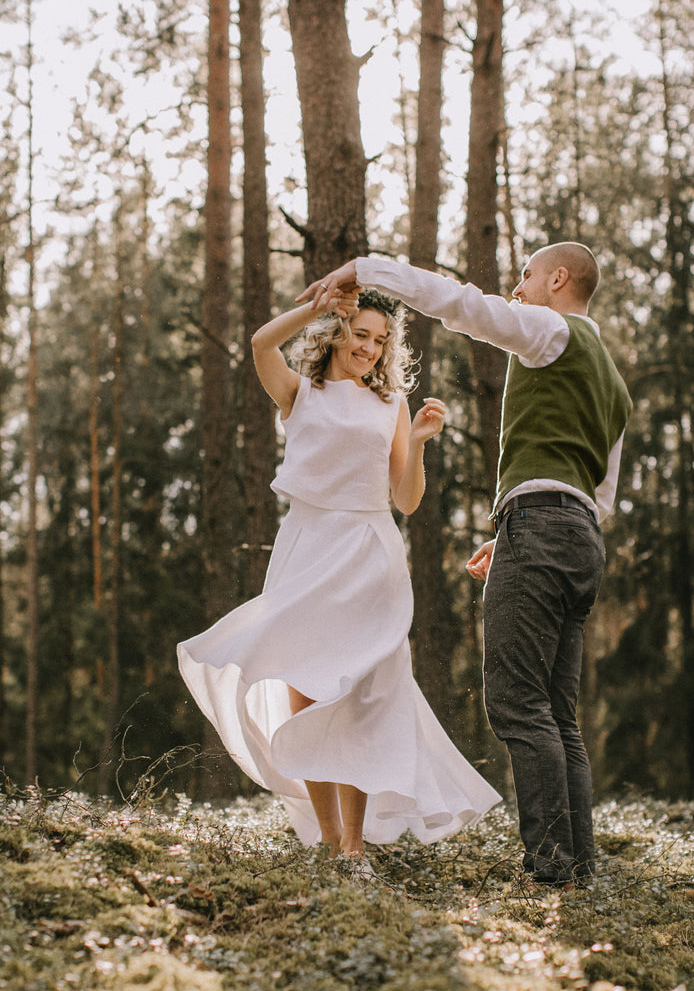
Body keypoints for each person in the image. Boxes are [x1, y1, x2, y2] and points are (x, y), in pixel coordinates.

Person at [299, 246, 632, 885]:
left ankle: (552, 870)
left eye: (527, 276)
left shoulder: (550, 331)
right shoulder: (613, 382)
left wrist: (366, 271)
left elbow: (461, 305)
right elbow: (602, 495)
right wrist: (517, 532)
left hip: (539, 528)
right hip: (577, 536)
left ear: (558, 280)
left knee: (518, 704)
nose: (517, 288)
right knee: (559, 713)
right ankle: (579, 867)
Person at [177, 286, 501, 867]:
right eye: (361, 334)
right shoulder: (301, 394)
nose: (371, 349)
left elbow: (405, 500)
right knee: (309, 691)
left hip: (370, 553)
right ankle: (328, 839)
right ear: (335, 333)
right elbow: (260, 343)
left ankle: (356, 843)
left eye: (381, 341)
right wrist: (319, 306)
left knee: (364, 696)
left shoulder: (392, 406)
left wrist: (420, 445)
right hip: (309, 548)